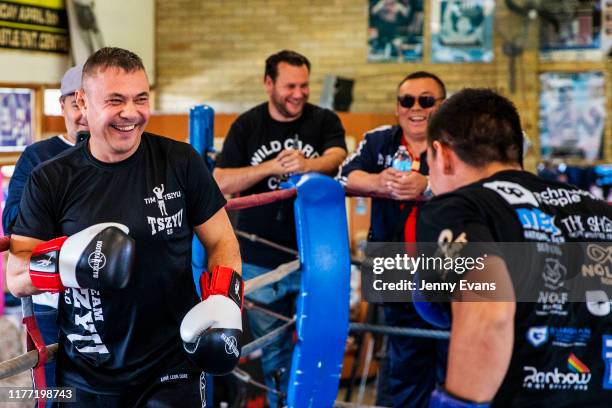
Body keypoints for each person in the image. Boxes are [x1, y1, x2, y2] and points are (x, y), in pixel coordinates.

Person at [6, 47, 242, 407]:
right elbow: (16, 276)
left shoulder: (179, 162)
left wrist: (225, 298)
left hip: (171, 365)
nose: (130, 113)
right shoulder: (51, 179)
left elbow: (222, 239)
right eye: (115, 100)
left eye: (141, 99)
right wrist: (67, 262)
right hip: (88, 372)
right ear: (82, 102)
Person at [416, 88, 612, 406]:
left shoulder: (458, 207)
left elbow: (490, 311)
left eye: (429, 162)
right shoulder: (599, 209)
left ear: (443, 154)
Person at [213, 49, 347, 406]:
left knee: (319, 342)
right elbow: (221, 180)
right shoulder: (248, 125)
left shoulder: (323, 120)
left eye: (304, 85)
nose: (299, 94)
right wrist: (269, 169)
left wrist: (309, 163)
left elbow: (338, 157)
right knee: (272, 352)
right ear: (268, 83)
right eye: (290, 86)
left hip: (317, 257)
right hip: (260, 259)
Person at [339, 71, 447, 407]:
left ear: (442, 105)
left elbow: (477, 185)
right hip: (391, 262)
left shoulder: (459, 143)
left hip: (447, 263)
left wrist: (425, 186)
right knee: (400, 353)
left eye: (426, 100)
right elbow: (345, 175)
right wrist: (378, 183)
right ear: (397, 106)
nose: (416, 108)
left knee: (449, 352)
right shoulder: (378, 140)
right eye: (407, 100)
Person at [2, 64, 88, 396]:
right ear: (62, 106)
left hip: (110, 295)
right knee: (56, 387)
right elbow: (14, 218)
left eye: (88, 102)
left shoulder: (118, 155)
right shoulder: (38, 156)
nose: (82, 113)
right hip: (51, 295)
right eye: (74, 103)